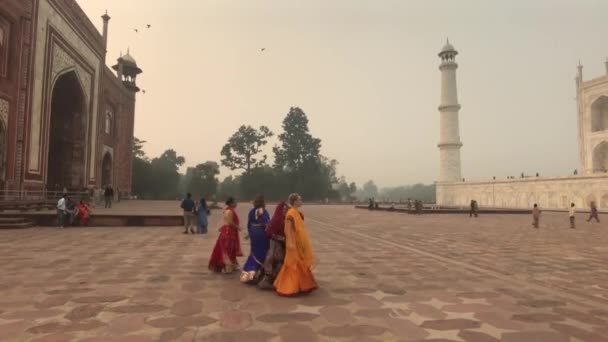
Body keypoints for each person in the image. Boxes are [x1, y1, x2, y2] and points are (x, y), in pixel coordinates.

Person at [274, 193, 318, 296]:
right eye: (299, 200)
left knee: (300, 263)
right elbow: (288, 230)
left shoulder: (296, 212)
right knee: (292, 264)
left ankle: (302, 285)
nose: (301, 201)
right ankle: (288, 287)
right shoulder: (291, 213)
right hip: (292, 243)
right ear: (294, 202)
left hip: (298, 243)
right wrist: (290, 243)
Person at [258, 201, 289, 290]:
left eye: (286, 209)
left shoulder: (284, 219)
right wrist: (281, 238)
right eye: (283, 209)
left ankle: (274, 281)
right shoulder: (276, 220)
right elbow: (269, 233)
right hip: (275, 244)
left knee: (279, 262)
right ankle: (265, 282)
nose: (285, 211)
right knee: (273, 260)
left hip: (281, 245)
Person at [240, 195, 271, 284]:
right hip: (261, 233)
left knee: (254, 252)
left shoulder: (251, 212)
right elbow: (267, 223)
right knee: (263, 252)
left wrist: (250, 234)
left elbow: (249, 224)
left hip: (254, 232)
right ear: (263, 203)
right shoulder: (263, 211)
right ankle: (259, 274)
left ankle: (248, 275)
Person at [208, 197, 243, 274]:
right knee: (227, 249)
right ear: (231, 203)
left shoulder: (229, 210)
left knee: (230, 249)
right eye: (235, 202)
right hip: (228, 232)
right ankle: (227, 266)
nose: (236, 203)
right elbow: (230, 222)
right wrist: (238, 227)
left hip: (229, 231)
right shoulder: (229, 211)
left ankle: (232, 265)